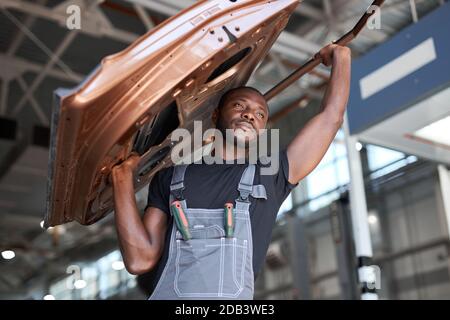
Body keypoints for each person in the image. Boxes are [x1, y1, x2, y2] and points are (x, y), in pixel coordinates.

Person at [111, 43, 351, 299]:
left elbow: (331, 117)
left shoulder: (272, 176)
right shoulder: (169, 178)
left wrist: (342, 57)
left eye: (260, 114)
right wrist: (121, 180)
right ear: (215, 115)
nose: (250, 115)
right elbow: (139, 260)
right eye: (240, 106)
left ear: (262, 129)